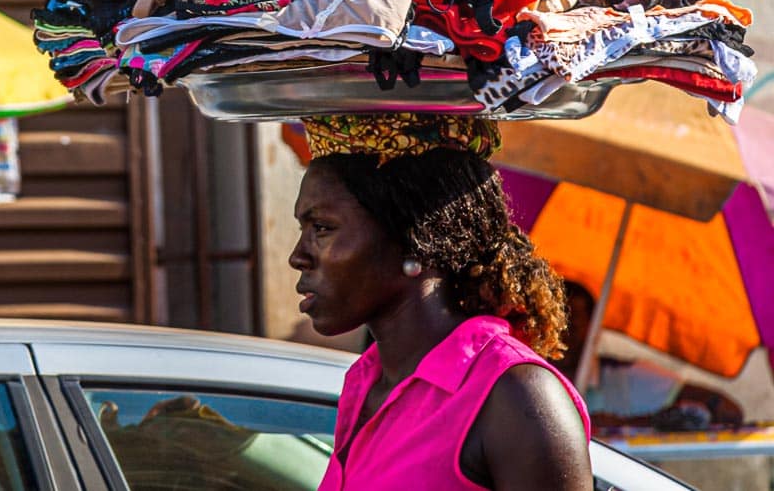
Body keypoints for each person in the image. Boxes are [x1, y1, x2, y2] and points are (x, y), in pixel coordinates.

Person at [290, 113, 592, 490]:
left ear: (413, 237)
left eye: (321, 229)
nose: (298, 256)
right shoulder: (365, 383)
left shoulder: (516, 396)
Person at [559, 281, 744, 430]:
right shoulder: (531, 381)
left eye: (572, 327)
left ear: (594, 329)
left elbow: (728, 411)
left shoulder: (625, 376)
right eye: (555, 326)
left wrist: (627, 425)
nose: (562, 335)